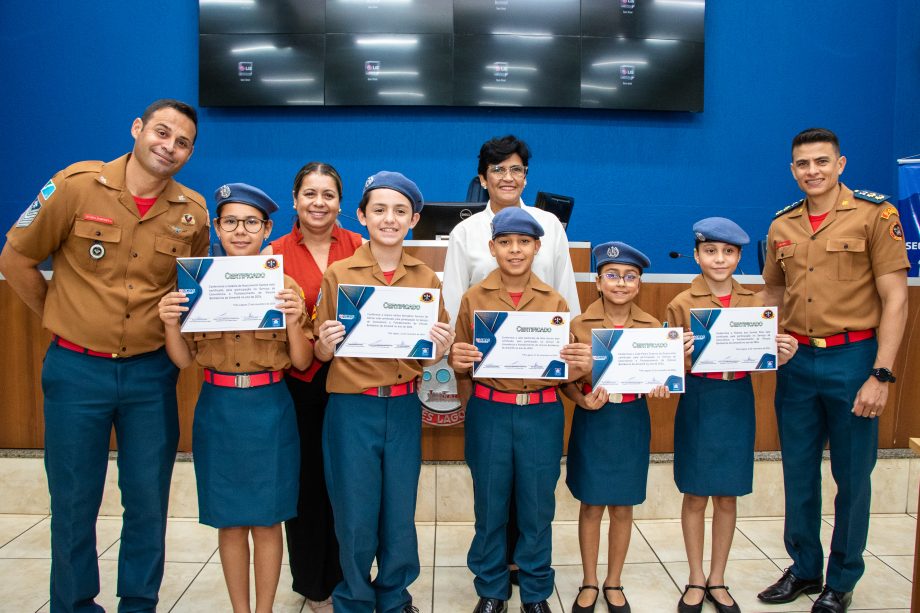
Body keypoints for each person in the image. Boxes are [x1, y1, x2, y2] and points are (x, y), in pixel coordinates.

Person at [0, 99, 208, 613]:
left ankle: (139, 602)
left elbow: (191, 294)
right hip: (76, 371)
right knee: (73, 501)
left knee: (146, 500)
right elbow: (16, 257)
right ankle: (73, 604)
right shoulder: (74, 186)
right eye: (162, 132)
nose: (169, 147)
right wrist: (60, 313)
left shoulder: (192, 213)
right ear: (137, 129)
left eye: (182, 142)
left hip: (149, 374)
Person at [757, 128, 910, 613]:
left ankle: (841, 580)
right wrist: (764, 342)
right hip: (797, 362)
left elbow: (897, 298)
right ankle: (804, 568)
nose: (813, 171)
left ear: (841, 164)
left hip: (853, 361)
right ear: (792, 170)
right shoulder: (783, 225)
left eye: (822, 162)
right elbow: (772, 295)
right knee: (799, 473)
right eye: (803, 164)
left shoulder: (875, 215)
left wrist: (880, 375)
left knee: (852, 477)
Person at [158, 183, 313, 613]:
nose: (240, 231)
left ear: (267, 229)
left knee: (267, 521)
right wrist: (171, 322)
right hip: (219, 410)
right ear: (217, 229)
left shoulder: (285, 287)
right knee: (229, 522)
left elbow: (300, 361)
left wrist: (296, 321)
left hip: (270, 411)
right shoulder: (195, 282)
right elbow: (184, 360)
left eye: (251, 222)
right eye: (230, 222)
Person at [441, 134, 581, 590]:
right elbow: (454, 322)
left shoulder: (551, 228)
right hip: (490, 395)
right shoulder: (466, 234)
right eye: (497, 170)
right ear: (482, 178)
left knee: (537, 504)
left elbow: (568, 311)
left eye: (516, 169)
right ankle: (492, 583)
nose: (507, 177)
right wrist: (466, 390)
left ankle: (534, 580)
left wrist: (575, 365)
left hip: (540, 395)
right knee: (491, 503)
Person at [313, 171, 453, 613]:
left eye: (399, 211)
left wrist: (440, 348)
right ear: (361, 216)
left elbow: (429, 357)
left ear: (413, 220)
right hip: (352, 408)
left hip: (404, 406)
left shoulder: (426, 278)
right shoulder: (340, 273)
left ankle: (394, 596)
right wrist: (324, 342)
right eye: (378, 210)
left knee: (398, 512)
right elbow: (320, 350)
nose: (389, 219)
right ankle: (353, 598)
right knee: (354, 512)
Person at [666, 218, 799, 613]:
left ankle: (718, 578)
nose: (719, 259)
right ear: (697, 255)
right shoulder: (682, 303)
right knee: (695, 493)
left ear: (739, 256)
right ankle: (694, 577)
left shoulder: (757, 304)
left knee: (727, 494)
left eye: (727, 252)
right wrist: (680, 357)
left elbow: (763, 354)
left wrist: (782, 353)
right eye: (710, 251)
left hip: (737, 399)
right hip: (699, 399)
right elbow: (666, 365)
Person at [265, 162, 363, 611]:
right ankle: (312, 584)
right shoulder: (275, 252)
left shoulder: (360, 245)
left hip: (352, 380)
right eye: (310, 194)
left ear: (341, 203)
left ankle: (349, 576)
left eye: (327, 194)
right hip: (300, 383)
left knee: (347, 484)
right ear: (294, 198)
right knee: (306, 484)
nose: (318, 203)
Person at [562, 242, 678, 613]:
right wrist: (580, 399)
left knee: (624, 507)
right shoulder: (578, 325)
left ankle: (613, 581)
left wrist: (660, 385)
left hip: (630, 420)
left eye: (630, 277)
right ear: (598, 282)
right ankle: (589, 581)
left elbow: (660, 375)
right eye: (612, 275)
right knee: (591, 505)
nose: (621, 283)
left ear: (639, 284)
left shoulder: (653, 327)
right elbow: (563, 378)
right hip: (594, 420)